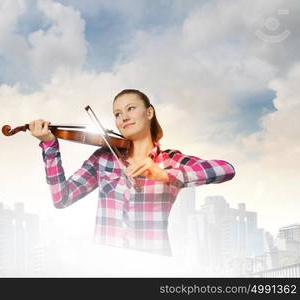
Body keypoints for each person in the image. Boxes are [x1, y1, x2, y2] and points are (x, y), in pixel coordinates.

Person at [29, 89, 236, 256]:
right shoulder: (104, 158)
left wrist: (164, 175)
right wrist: (50, 146)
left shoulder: (170, 160)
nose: (123, 118)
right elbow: (61, 199)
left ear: (149, 112)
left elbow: (226, 169)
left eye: (131, 109)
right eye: (117, 114)